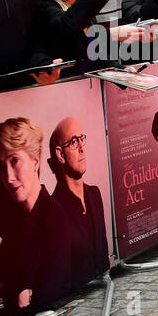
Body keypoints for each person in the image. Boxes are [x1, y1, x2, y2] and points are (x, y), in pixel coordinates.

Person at [0, 118, 71, 316]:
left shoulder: (54, 216)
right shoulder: (14, 225)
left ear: (35, 161)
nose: (8, 177)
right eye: (1, 166)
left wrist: (22, 291)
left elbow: (48, 291)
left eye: (14, 160)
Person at [47, 117, 108, 290]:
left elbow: (103, 256)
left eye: (82, 139)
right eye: (74, 142)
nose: (82, 148)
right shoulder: (53, 210)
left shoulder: (95, 195)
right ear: (60, 154)